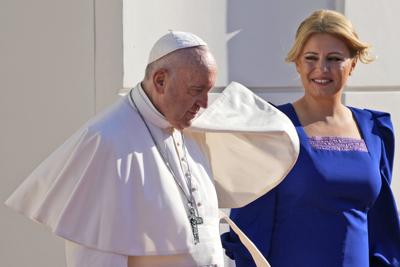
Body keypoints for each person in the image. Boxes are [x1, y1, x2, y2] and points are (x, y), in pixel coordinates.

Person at [5, 31, 299, 267]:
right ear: (160, 80)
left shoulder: (188, 129)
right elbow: (96, 257)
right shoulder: (106, 142)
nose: (205, 105)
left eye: (208, 91)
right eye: (196, 91)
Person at [222, 9, 400, 267]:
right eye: (311, 58)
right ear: (297, 63)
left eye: (334, 58)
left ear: (353, 64)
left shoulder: (375, 131)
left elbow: (382, 230)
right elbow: (249, 228)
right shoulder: (274, 129)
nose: (321, 68)